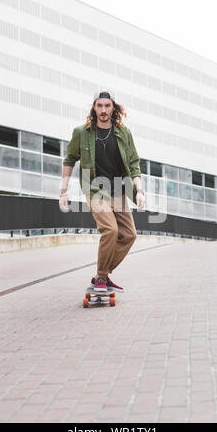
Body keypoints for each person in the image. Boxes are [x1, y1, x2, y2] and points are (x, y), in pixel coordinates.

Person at [59, 90, 145, 293]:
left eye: (107, 106)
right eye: (100, 106)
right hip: (95, 188)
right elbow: (70, 159)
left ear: (113, 108)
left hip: (119, 187)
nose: (103, 110)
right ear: (94, 107)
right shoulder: (82, 132)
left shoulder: (124, 133)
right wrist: (64, 192)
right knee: (111, 230)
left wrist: (139, 190)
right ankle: (101, 277)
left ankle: (102, 276)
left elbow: (134, 163)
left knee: (129, 235)